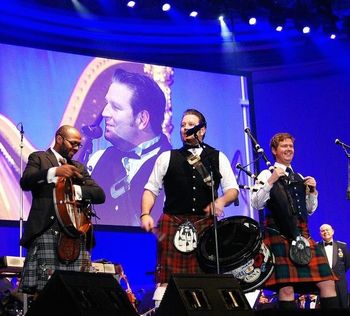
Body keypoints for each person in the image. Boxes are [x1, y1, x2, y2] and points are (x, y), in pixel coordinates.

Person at [140, 108, 239, 306]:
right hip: (172, 223)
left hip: (205, 226)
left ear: (202, 130)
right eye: (182, 125)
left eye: (190, 125)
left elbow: (232, 190)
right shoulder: (167, 158)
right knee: (166, 281)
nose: (185, 128)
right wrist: (145, 214)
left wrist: (219, 201)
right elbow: (151, 189)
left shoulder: (216, 158)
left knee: (205, 280)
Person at [251, 132, 339, 309]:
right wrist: (271, 180)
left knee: (327, 283)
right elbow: (256, 203)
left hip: (302, 234)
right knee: (286, 289)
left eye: (291, 146)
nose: (289, 149)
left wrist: (313, 192)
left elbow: (309, 210)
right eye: (284, 146)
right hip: (279, 234)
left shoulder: (299, 176)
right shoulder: (264, 174)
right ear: (274, 150)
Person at [19, 125, 105, 295]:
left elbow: (99, 194)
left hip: (74, 236)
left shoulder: (78, 168)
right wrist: (55, 171)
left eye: (78, 145)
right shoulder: (39, 158)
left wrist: (74, 191)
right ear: (59, 139)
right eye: (73, 143)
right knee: (45, 293)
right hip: (46, 231)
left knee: (76, 291)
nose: (76, 148)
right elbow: (26, 182)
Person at [87, 68, 171, 226]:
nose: (105, 113)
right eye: (107, 104)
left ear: (142, 119)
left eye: (116, 107)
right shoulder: (97, 159)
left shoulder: (174, 167)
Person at [319, 223, 350, 308]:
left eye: (327, 230)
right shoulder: (316, 247)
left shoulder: (342, 246)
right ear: (320, 233)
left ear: (332, 232)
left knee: (343, 305)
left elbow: (347, 263)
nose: (325, 232)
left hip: (340, 282)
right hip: (325, 282)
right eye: (322, 231)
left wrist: (339, 273)